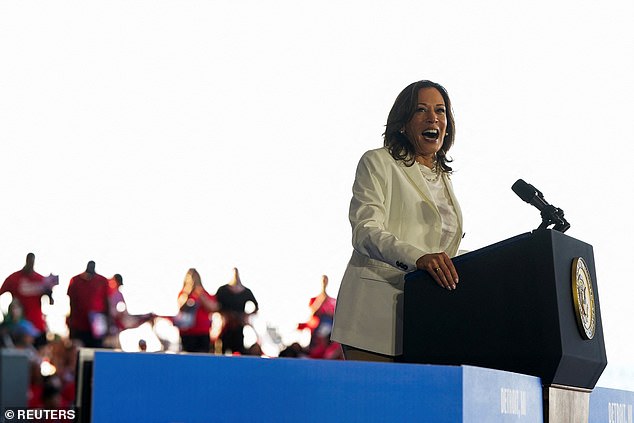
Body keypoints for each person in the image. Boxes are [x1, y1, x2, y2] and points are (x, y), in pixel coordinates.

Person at [331, 80, 464, 362]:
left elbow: (442, 250)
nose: (433, 118)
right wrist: (419, 259)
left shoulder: (443, 177)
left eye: (440, 111)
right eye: (421, 110)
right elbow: (365, 231)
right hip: (374, 318)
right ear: (403, 122)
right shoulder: (377, 162)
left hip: (426, 321)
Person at [1, 253, 58, 347]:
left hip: (37, 326)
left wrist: (49, 292)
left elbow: (51, 302)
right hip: (18, 328)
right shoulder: (13, 278)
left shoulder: (41, 279)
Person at [215, 267, 259, 355]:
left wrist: (245, 315)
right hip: (225, 325)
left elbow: (256, 306)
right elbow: (215, 305)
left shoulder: (246, 292)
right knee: (222, 350)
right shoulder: (223, 290)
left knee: (238, 350)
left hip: (238, 325)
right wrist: (225, 315)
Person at [66, 261, 110, 348]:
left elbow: (107, 302)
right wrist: (71, 325)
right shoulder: (75, 280)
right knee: (79, 352)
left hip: (97, 326)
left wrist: (108, 324)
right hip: (79, 325)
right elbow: (72, 303)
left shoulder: (102, 281)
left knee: (96, 350)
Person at [175, 268, 218, 353]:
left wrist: (200, 295)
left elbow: (212, 308)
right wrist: (188, 293)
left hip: (203, 332)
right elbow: (181, 306)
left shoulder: (204, 294)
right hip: (187, 332)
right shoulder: (183, 294)